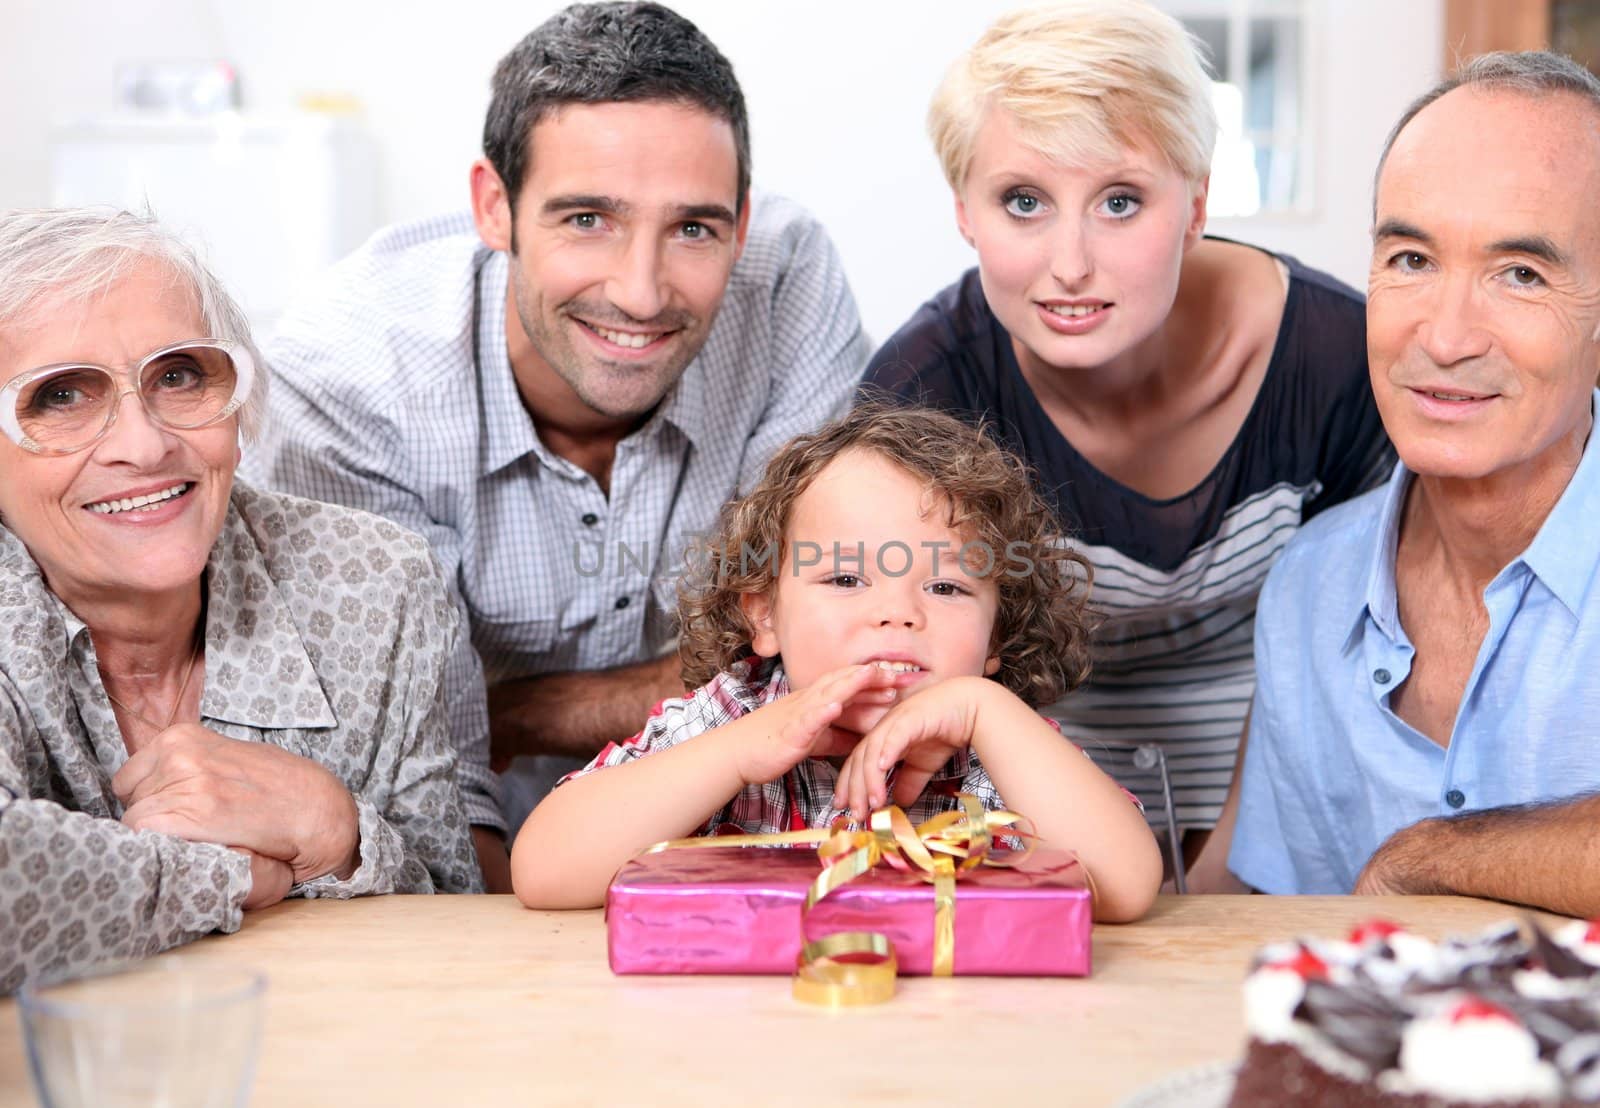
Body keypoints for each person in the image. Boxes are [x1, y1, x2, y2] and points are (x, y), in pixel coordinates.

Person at [244, 1, 869, 890]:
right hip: (449, 878)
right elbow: (416, 768)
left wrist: (512, 711)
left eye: (694, 228)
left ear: (740, 218)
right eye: (587, 219)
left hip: (737, 843)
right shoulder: (349, 381)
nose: (643, 292)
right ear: (494, 207)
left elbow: (812, 658)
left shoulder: (787, 282)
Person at [858, 0, 1392, 890]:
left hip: (1293, 796)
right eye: (1023, 202)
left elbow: (1357, 649)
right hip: (1021, 809)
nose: (1070, 263)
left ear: (1196, 203)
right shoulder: (925, 390)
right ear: (963, 211)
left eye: (1119, 201)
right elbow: (897, 670)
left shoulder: (1337, 360)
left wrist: (1231, 877)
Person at [0, 208, 482, 991]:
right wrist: (235, 876)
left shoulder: (372, 576)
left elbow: (457, 910)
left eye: (179, 376)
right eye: (60, 396)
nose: (145, 444)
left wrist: (335, 829)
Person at [511, 406, 1163, 922]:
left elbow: (1127, 888)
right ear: (764, 616)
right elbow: (542, 870)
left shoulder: (997, 738)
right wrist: (735, 754)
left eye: (946, 587)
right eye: (847, 578)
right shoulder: (733, 715)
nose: (899, 613)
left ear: (996, 636)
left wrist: (987, 711)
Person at [1228, 52, 1600, 916]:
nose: (1445, 335)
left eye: (1521, 274)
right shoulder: (1309, 586)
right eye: (1410, 259)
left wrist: (1426, 859)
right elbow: (1279, 929)